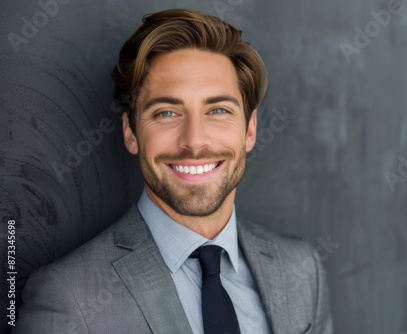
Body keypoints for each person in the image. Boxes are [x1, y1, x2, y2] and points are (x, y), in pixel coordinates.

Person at [13, 8, 333, 334]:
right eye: (167, 112)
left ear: (249, 129)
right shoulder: (68, 297)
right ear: (131, 132)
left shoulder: (302, 270)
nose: (194, 141)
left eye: (218, 110)